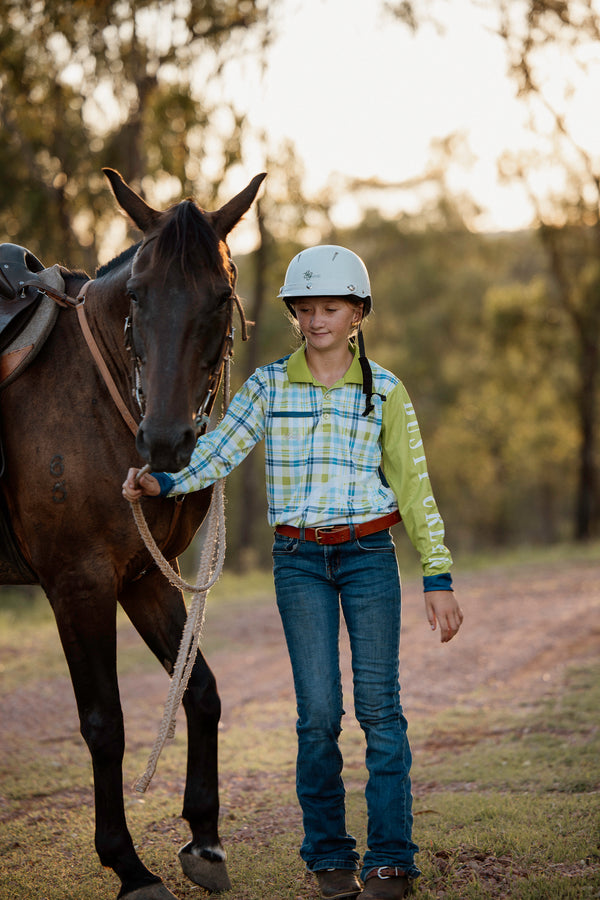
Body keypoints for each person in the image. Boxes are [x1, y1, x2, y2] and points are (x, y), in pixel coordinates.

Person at [122, 245, 463, 900]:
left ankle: (391, 859)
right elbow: (220, 451)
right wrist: (163, 483)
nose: (315, 321)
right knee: (317, 714)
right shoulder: (268, 386)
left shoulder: (386, 393)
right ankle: (329, 854)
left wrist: (438, 575)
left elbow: (415, 491)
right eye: (304, 310)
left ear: (358, 313)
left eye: (329, 308)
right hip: (299, 561)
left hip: (369, 559)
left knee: (380, 711)